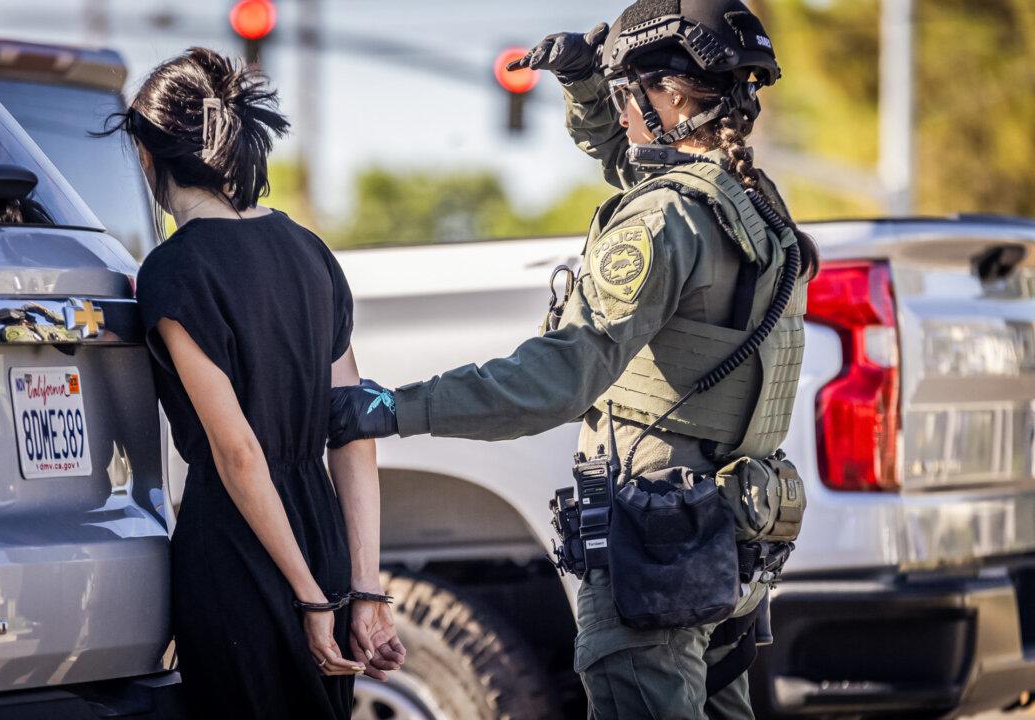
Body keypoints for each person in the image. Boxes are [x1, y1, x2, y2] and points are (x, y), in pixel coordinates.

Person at [329, 1, 818, 718]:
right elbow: (643, 167)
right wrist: (590, 88)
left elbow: (559, 379)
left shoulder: (665, 218)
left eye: (626, 97)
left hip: (659, 537)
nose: (620, 114)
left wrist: (395, 408)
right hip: (723, 531)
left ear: (673, 98)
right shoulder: (750, 202)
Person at [98, 48, 405, 720]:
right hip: (321, 534)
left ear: (148, 158)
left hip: (239, 551)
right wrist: (363, 590)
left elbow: (237, 452)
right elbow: (352, 428)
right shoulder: (308, 249)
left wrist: (308, 600)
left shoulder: (173, 273)